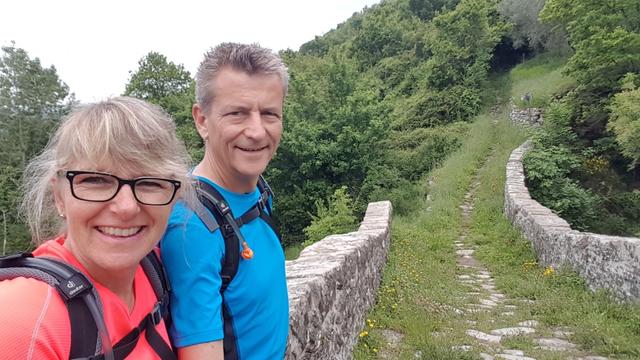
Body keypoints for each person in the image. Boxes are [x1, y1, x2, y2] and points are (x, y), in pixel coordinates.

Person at [0, 97, 192, 359]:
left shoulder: (153, 269)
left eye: (150, 182)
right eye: (96, 180)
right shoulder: (22, 320)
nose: (126, 207)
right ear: (59, 196)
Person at [161, 43, 289, 359]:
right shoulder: (192, 226)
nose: (258, 132)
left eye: (270, 114)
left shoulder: (256, 188)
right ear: (202, 120)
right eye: (237, 113)